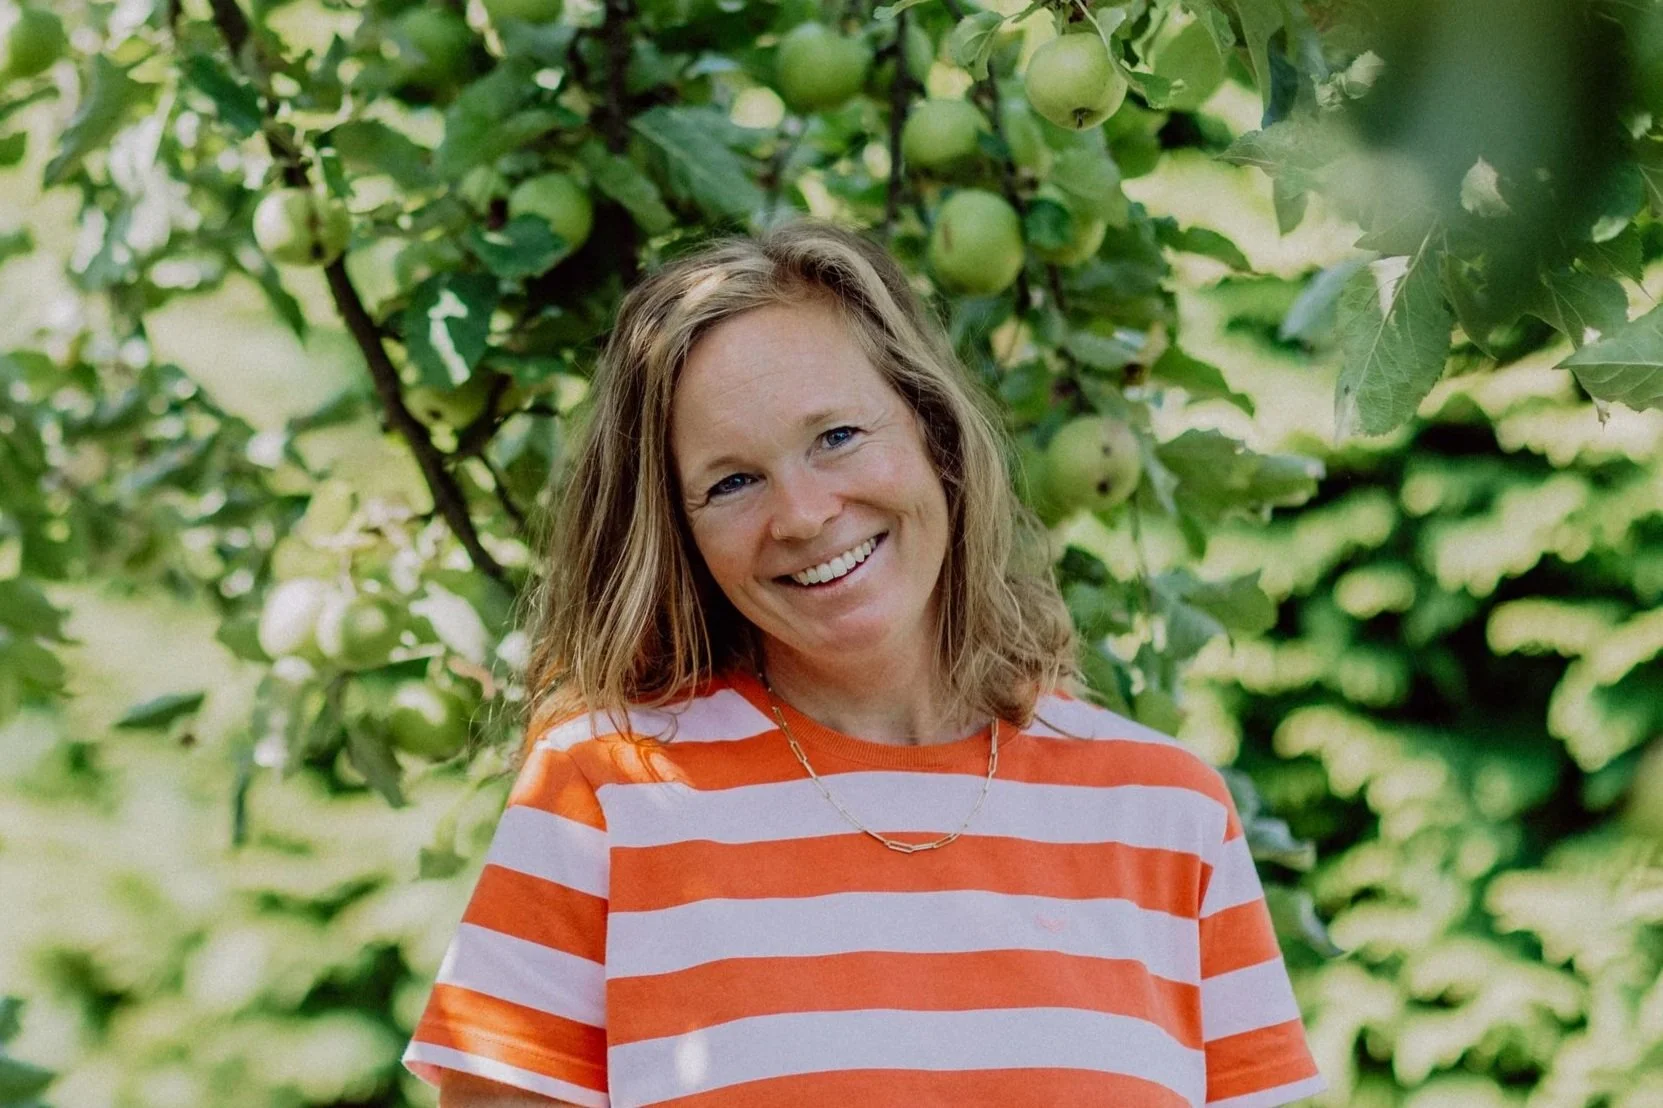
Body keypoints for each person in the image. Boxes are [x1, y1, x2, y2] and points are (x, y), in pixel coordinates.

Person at [402, 219, 1327, 1108]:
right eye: (731, 482)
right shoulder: (603, 794)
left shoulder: (1167, 814)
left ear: (934, 433)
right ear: (679, 534)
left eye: (837, 436)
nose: (802, 513)